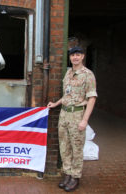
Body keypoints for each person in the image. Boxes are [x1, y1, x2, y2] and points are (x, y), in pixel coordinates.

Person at [47, 46, 97, 192]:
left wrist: (85, 120)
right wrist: (56, 103)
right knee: (64, 146)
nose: (75, 57)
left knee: (77, 148)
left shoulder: (88, 75)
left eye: (78, 55)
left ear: (82, 57)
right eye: (73, 55)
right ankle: (67, 174)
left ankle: (75, 177)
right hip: (64, 114)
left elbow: (92, 98)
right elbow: (67, 95)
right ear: (70, 57)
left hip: (77, 115)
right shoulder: (68, 73)